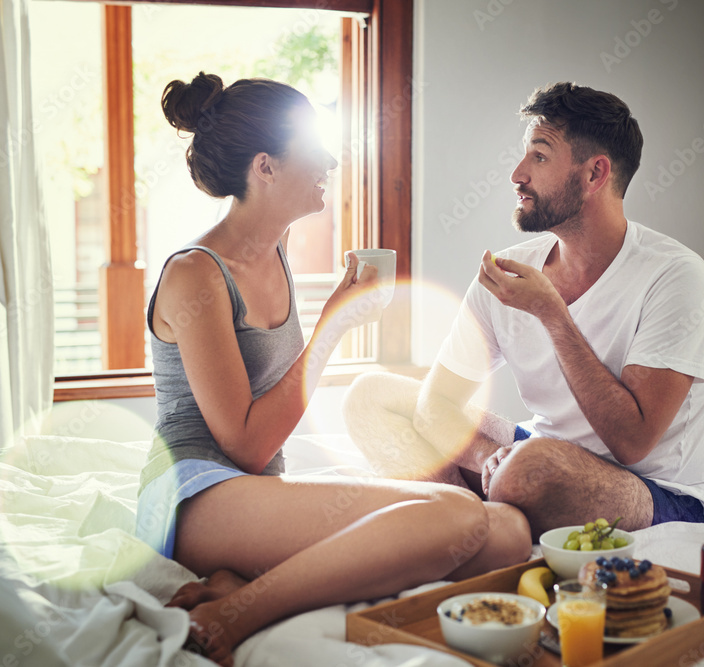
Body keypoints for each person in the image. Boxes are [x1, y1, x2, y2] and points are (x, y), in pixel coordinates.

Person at [133, 72, 532, 667]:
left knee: (507, 533)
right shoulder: (196, 273)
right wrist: (333, 327)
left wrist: (338, 320)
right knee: (454, 514)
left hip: (255, 492)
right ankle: (238, 611)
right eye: (312, 146)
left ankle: (238, 584)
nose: (331, 159)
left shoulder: (276, 251)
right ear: (264, 166)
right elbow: (243, 445)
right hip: (195, 491)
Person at [345, 82, 704, 541]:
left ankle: (485, 520)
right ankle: (470, 528)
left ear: (595, 175)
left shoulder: (675, 277)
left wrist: (553, 315)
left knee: (528, 469)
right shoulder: (509, 272)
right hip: (543, 456)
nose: (517, 174)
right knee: (370, 398)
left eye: (539, 156)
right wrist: (488, 457)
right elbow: (437, 406)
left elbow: (632, 443)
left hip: (660, 489)